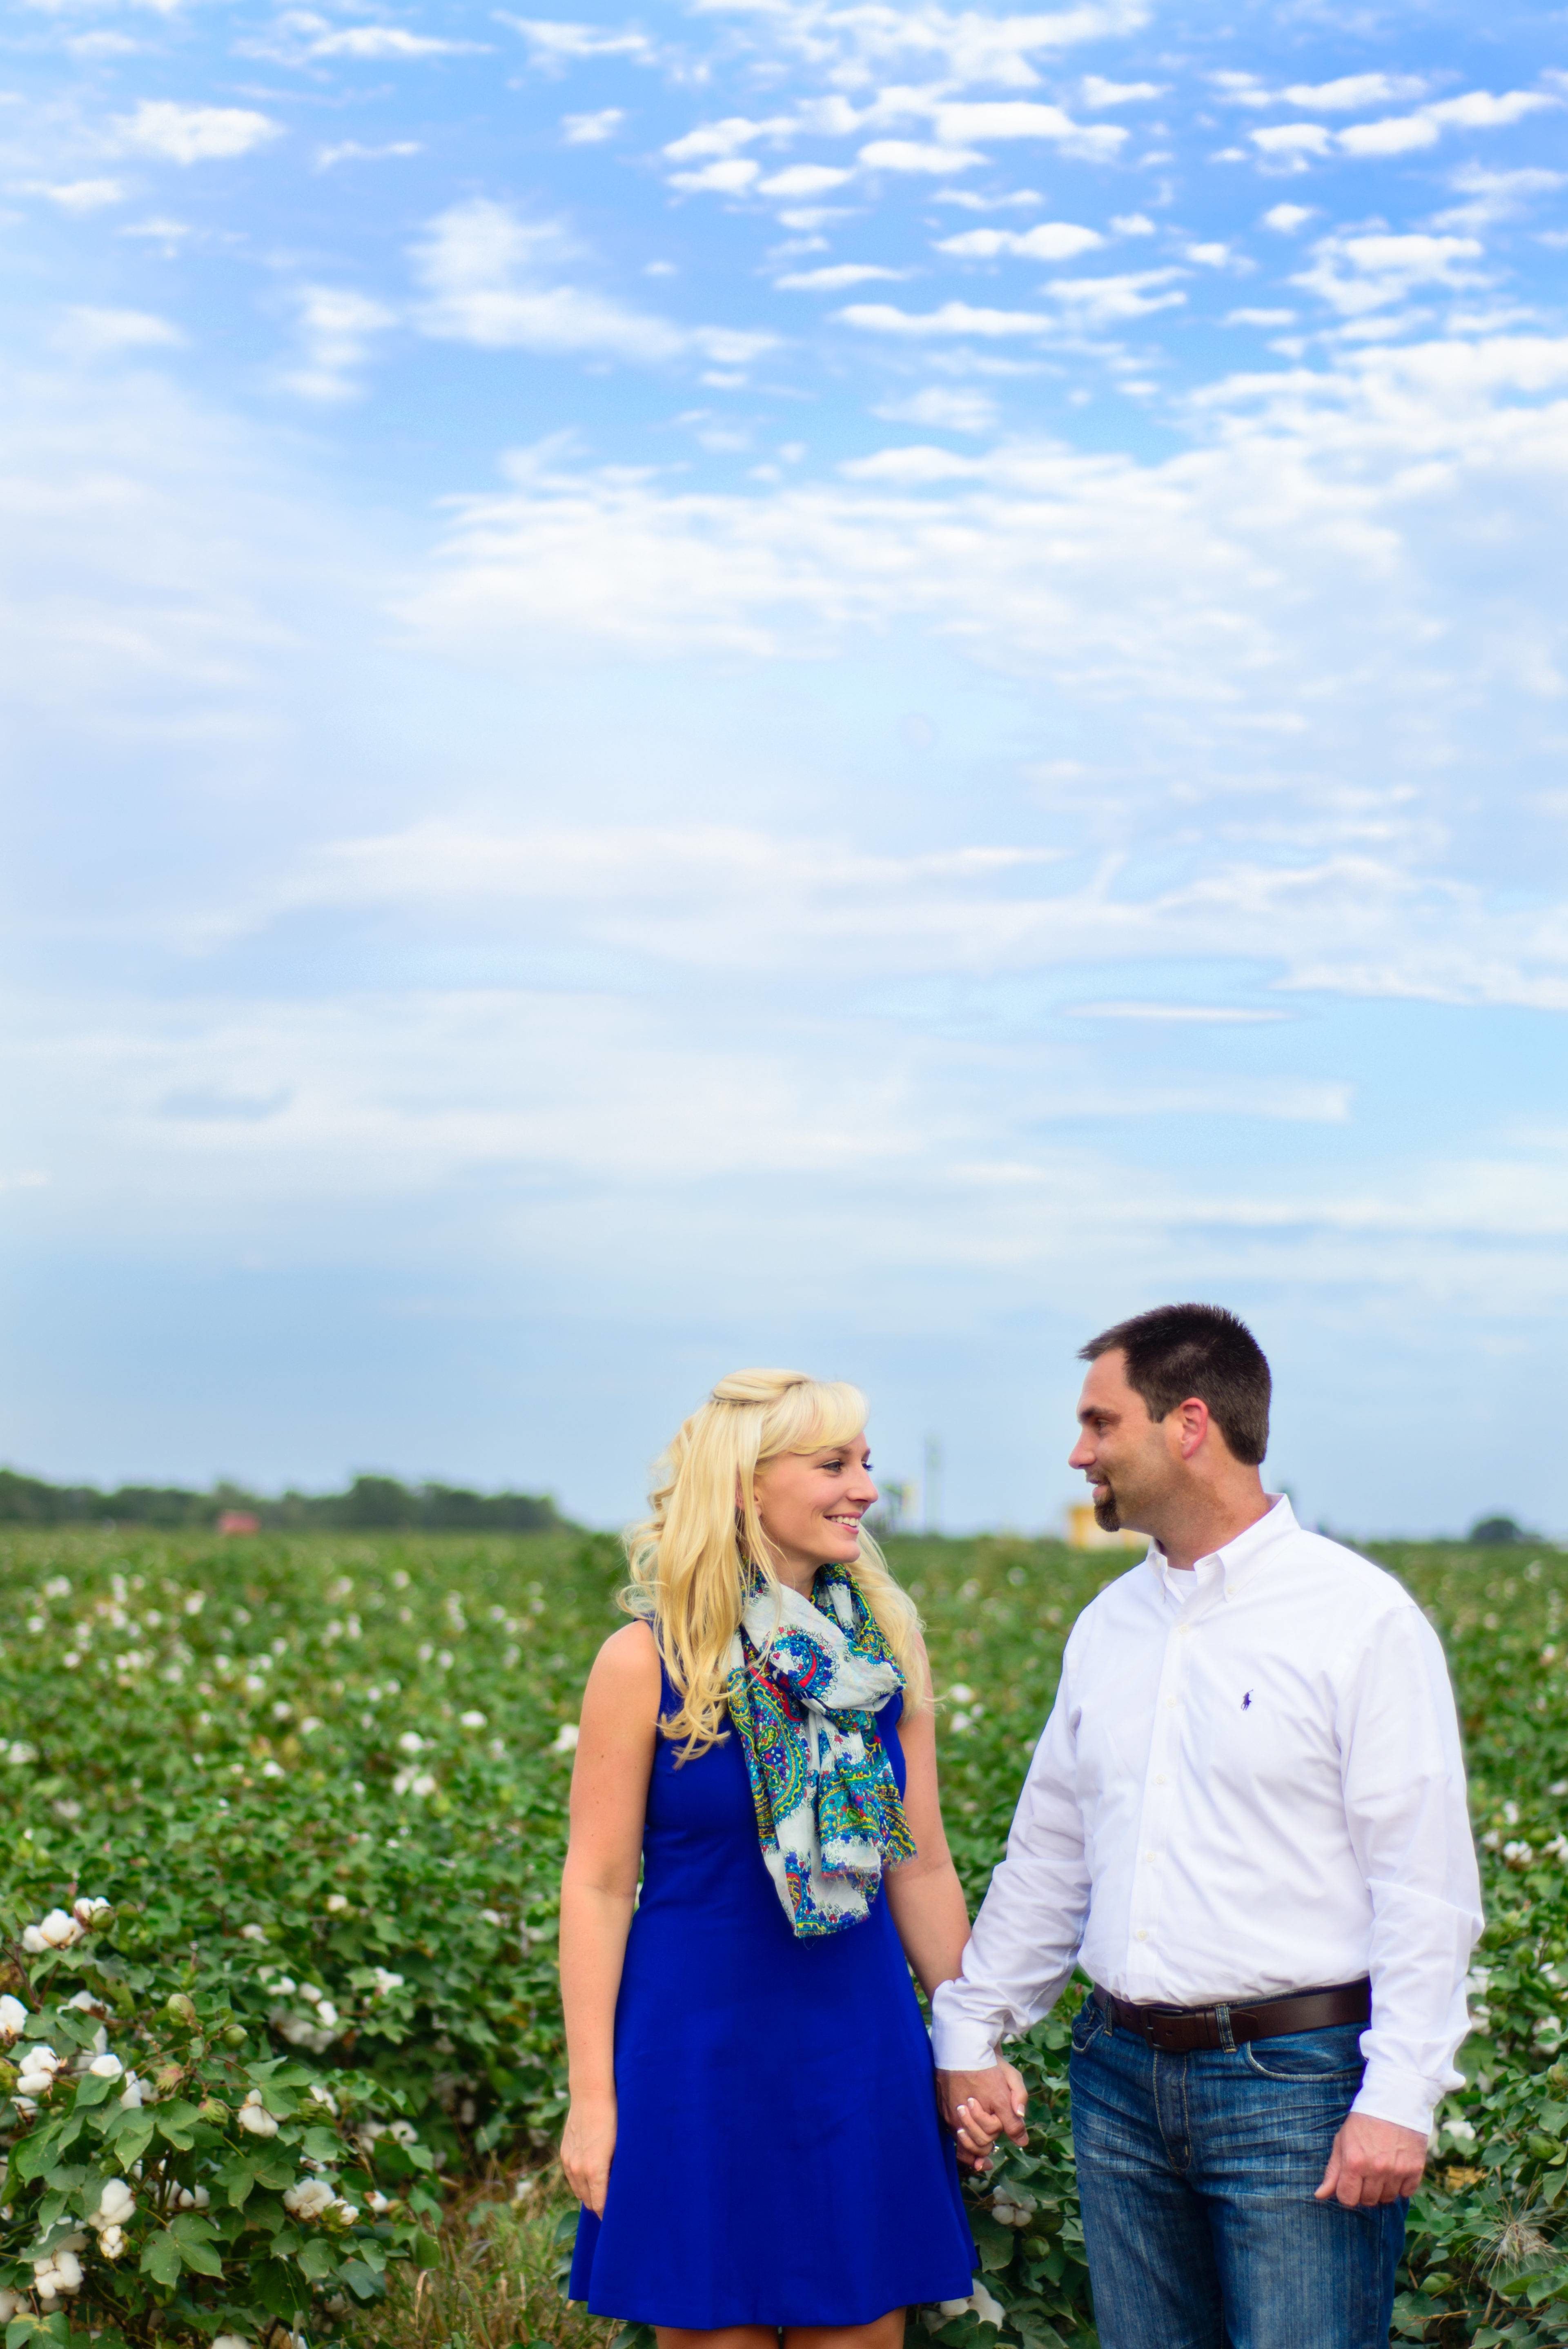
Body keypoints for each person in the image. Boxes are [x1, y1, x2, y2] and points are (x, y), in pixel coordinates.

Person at [931, 1303, 1483, 2349]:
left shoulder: (1356, 1618)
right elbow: (1052, 1854)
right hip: (1117, 2078)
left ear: (1189, 1425)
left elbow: (1424, 1885)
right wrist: (973, 2023)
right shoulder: (1108, 1626)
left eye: (1101, 1425)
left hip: (1299, 2088)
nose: (1077, 1453)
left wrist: (1401, 2096)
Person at [560, 1367, 998, 2347]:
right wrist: (593, 2099)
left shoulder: (882, 1656)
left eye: (867, 1463)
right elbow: (595, 1887)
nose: (866, 1489)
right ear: (747, 1484)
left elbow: (919, 1867)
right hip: (695, 2060)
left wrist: (973, 2043)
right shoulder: (645, 1662)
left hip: (858, 2050)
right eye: (834, 1464)